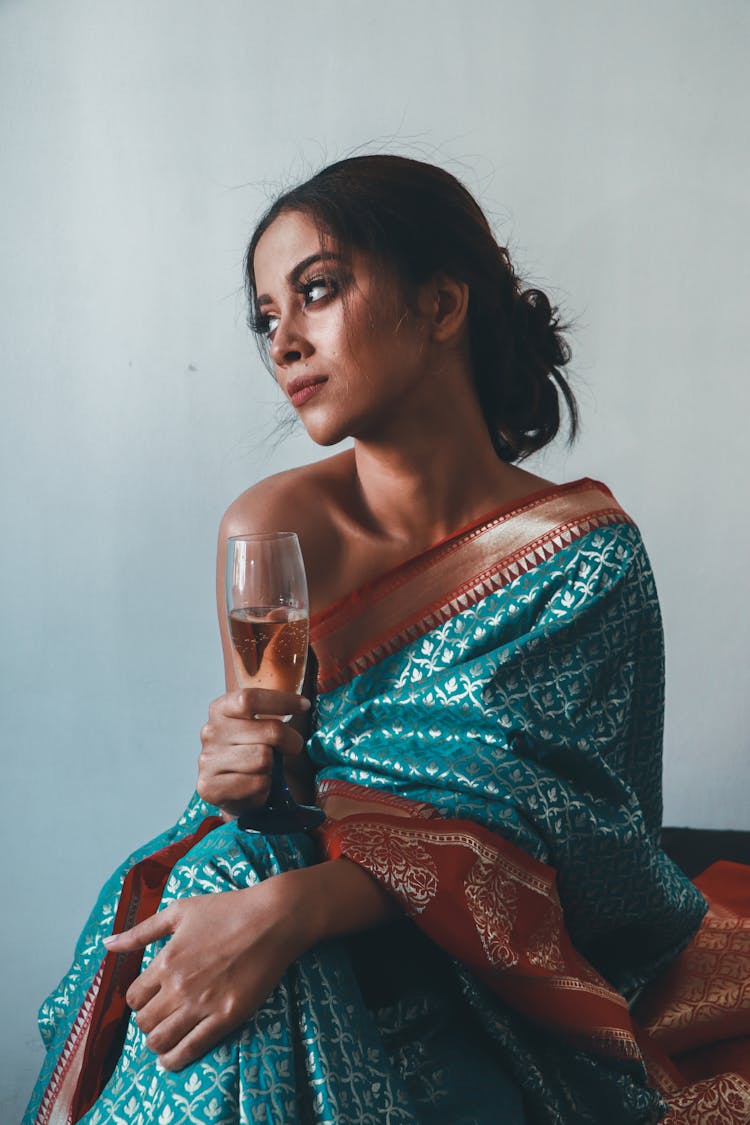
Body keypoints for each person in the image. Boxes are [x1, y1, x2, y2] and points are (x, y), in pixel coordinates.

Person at [24, 156, 750, 1125]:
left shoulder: (587, 561)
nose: (284, 340)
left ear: (442, 304)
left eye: (316, 292)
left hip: (485, 982)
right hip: (304, 936)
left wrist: (303, 909)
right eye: (266, 317)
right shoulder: (271, 534)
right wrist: (238, 773)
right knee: (223, 876)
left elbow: (595, 848)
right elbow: (280, 803)